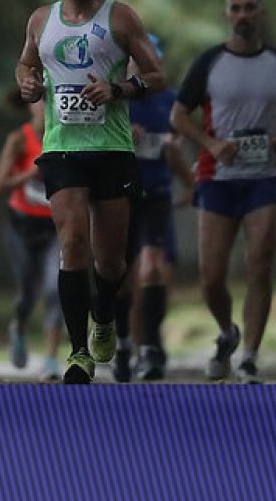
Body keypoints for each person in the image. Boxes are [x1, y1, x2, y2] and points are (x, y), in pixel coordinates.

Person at [15, 0, 165, 384]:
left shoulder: (120, 17)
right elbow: (25, 65)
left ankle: (103, 314)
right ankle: (78, 352)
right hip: (62, 148)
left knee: (111, 262)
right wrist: (27, 83)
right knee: (73, 244)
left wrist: (117, 89)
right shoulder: (41, 19)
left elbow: (156, 76)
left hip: (112, 148)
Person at [171, 0, 276, 385]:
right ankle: (228, 332)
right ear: (227, 15)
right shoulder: (209, 63)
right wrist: (211, 143)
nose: (243, 15)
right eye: (236, 8)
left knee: (260, 265)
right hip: (217, 178)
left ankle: (249, 358)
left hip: (265, 177)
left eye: (249, 7)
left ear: (261, 13)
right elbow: (178, 116)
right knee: (211, 277)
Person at [117, 34, 194, 382]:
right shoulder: (115, 97)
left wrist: (192, 183)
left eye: (153, 58)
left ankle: (149, 346)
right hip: (119, 196)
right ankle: (123, 343)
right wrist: (122, 138)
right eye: (138, 59)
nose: (146, 65)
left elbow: (173, 148)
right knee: (118, 275)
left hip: (156, 195)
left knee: (153, 268)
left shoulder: (170, 101)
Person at [0, 93, 63, 381]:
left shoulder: (65, 137)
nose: (46, 106)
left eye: (51, 99)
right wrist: (30, 173)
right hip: (23, 227)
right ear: (29, 105)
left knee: (56, 289)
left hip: (56, 227)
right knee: (27, 293)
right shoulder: (19, 139)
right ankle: (19, 327)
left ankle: (51, 359)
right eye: (40, 100)